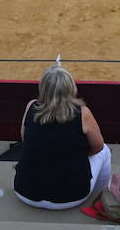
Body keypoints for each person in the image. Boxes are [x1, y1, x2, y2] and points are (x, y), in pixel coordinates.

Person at [14, 65, 112, 210]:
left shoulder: (31, 106)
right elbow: (98, 147)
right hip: (71, 197)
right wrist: (78, 155)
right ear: (70, 87)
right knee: (105, 151)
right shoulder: (82, 113)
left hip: (25, 192)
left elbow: (25, 138)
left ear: (43, 87)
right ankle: (102, 195)